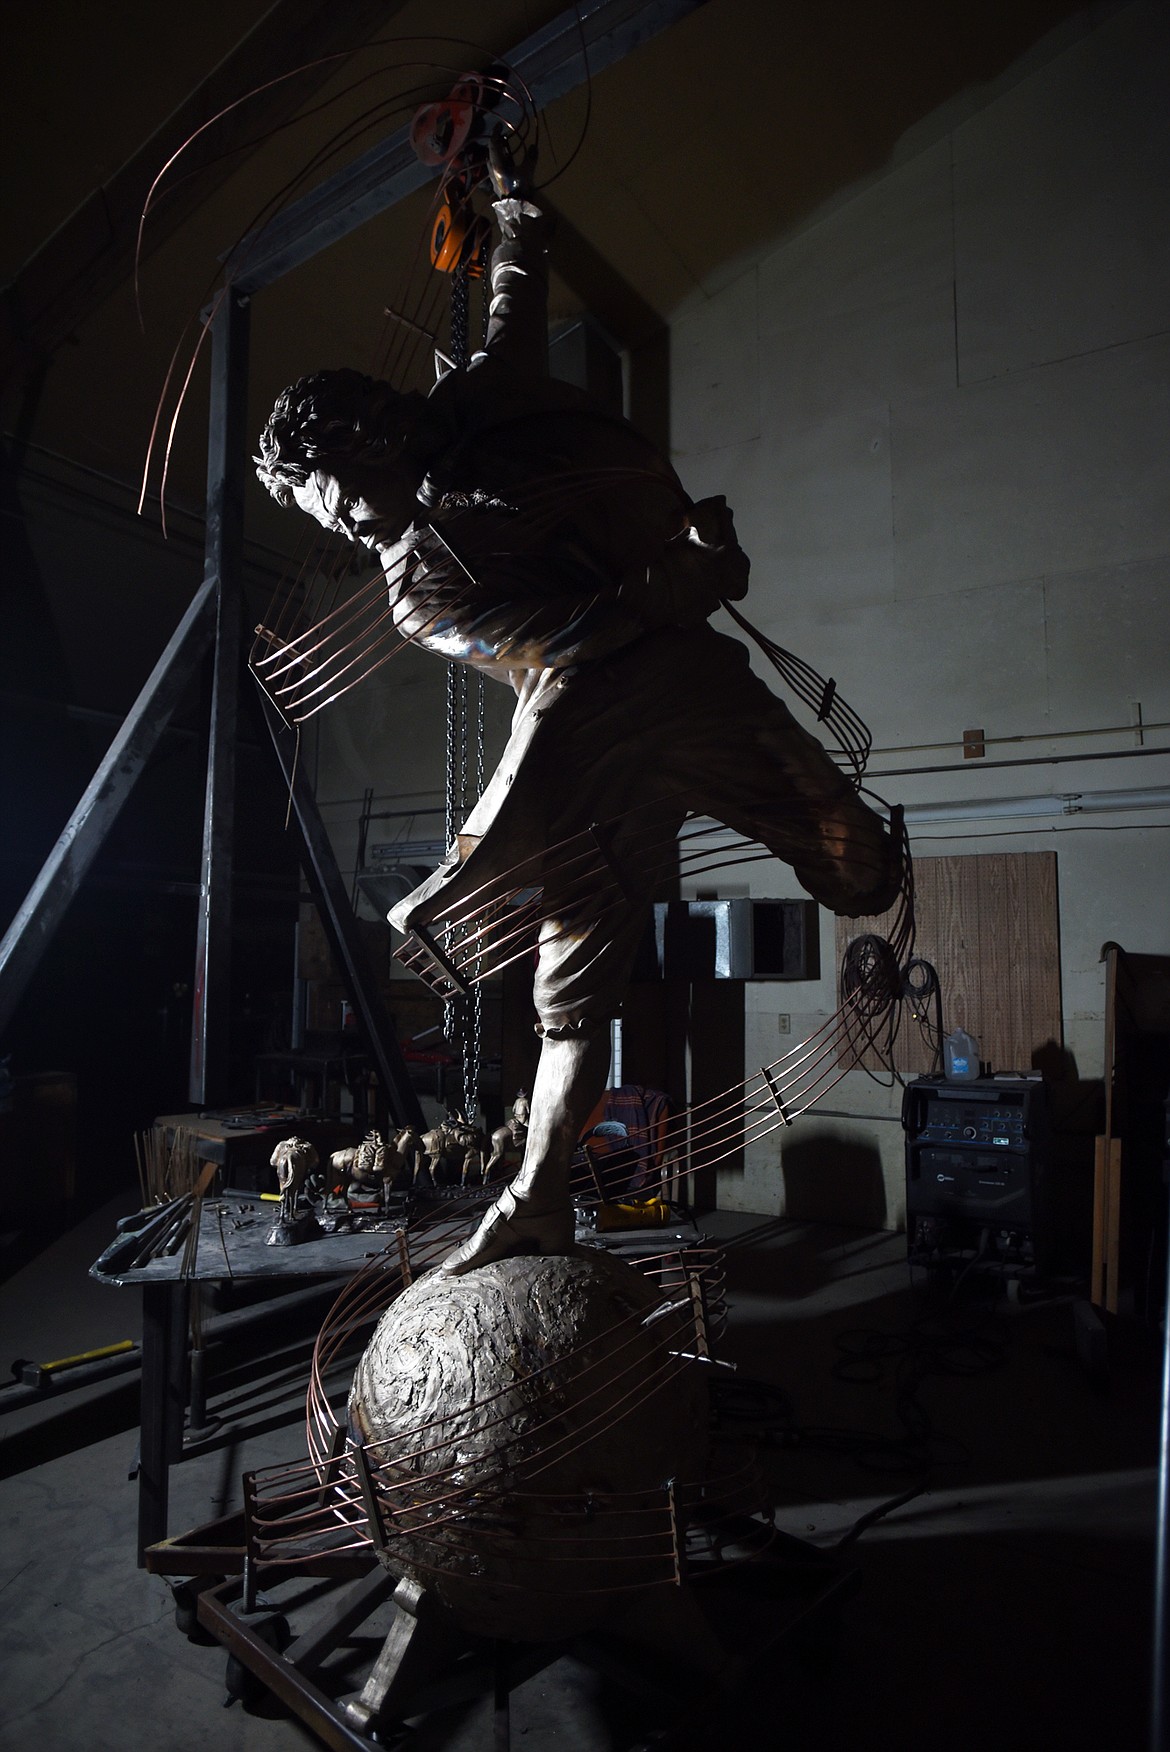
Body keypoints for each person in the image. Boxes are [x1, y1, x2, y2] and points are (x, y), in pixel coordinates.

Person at [256, 191, 903, 1275]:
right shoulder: (419, 585)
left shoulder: (476, 405)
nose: (343, 529)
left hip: (689, 684)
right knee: (572, 1001)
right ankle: (538, 1195)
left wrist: (520, 222)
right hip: (592, 729)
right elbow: (576, 639)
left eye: (332, 499)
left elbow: (513, 310)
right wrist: (686, 577)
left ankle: (528, 1128)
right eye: (321, 521)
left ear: (365, 437)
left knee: (860, 870)